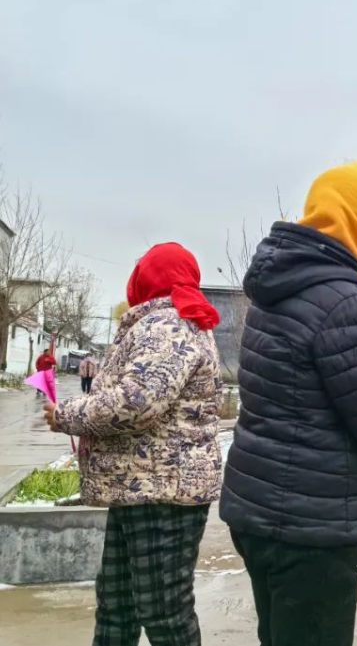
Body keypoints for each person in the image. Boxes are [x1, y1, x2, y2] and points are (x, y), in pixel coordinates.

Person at [219, 160, 357, 646]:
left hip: (257, 507)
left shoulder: (279, 287)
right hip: (312, 525)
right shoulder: (348, 301)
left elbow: (312, 368)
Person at [44, 242, 224, 646]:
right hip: (140, 485)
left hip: (161, 491)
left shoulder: (168, 326)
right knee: (117, 608)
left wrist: (66, 415)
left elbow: (136, 402)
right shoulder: (163, 323)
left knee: (163, 613)